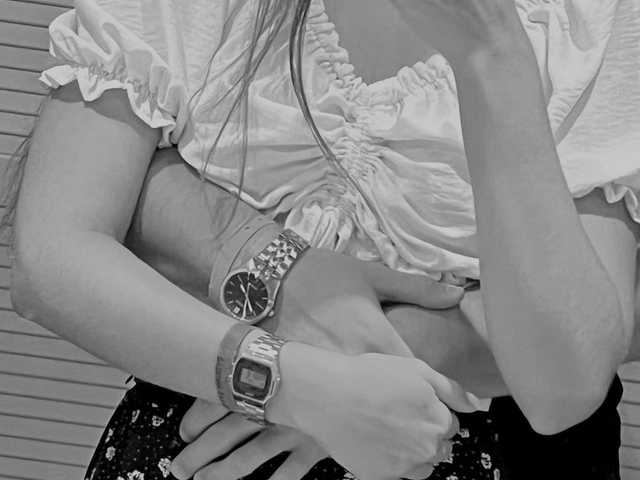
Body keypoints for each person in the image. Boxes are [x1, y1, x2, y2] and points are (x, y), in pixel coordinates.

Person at [5, 0, 640, 479]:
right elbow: (54, 256)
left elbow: (565, 385)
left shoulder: (586, 21)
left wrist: (491, 54)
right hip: (209, 421)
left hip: (476, 442)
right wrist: (297, 385)